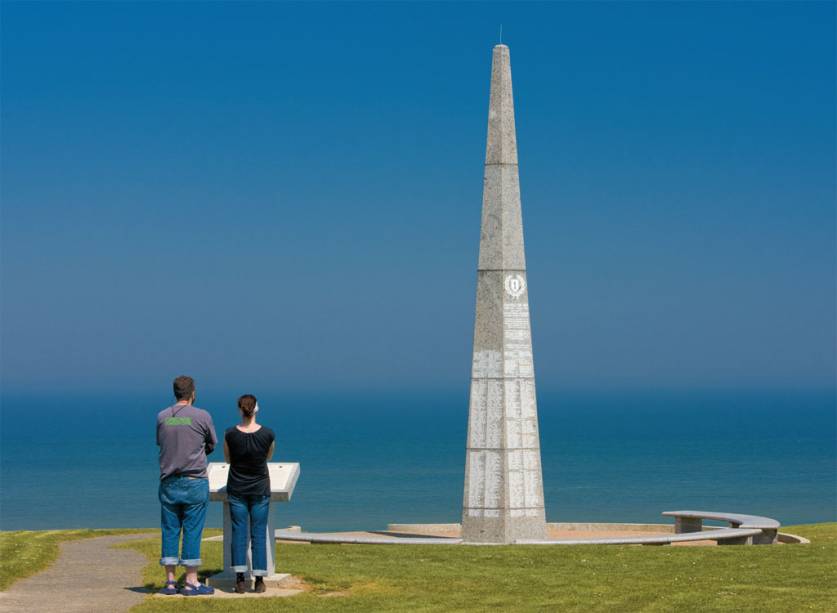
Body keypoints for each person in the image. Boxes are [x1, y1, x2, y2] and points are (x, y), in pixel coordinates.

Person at [156, 375, 217, 596]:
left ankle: (170, 582)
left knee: (170, 529)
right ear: (193, 393)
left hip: (169, 481)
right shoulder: (202, 416)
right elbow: (212, 443)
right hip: (194, 480)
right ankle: (191, 581)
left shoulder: (163, 417)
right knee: (192, 530)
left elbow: (160, 442)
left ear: (174, 393)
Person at [224, 394, 276, 594]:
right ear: (255, 409)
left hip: (237, 488)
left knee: (238, 533)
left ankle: (239, 580)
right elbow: (269, 456)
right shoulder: (268, 434)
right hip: (260, 489)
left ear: (240, 410)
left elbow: (228, 459)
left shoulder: (230, 434)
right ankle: (260, 580)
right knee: (258, 533)